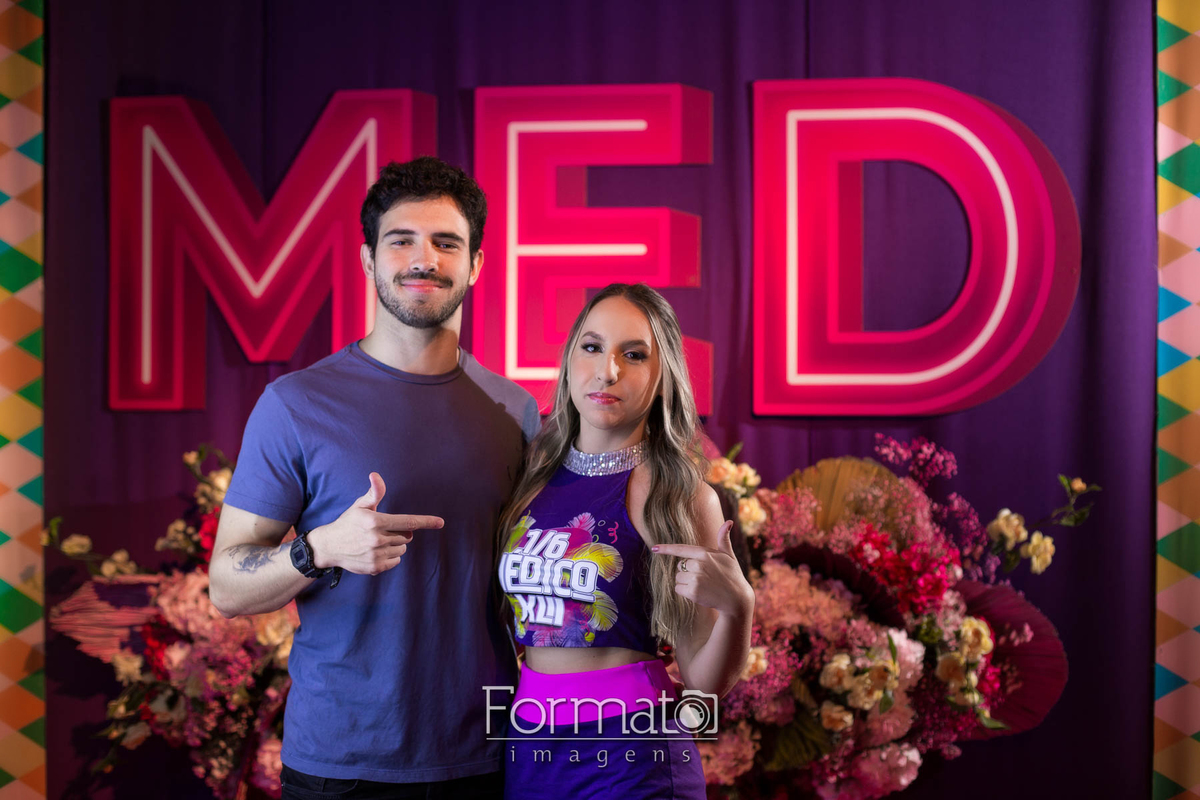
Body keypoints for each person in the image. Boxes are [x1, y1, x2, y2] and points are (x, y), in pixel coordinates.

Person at [209, 156, 540, 799]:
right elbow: (226, 587)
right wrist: (318, 550)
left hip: (484, 754)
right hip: (342, 763)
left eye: (447, 243)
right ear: (368, 260)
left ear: (476, 264)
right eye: (401, 240)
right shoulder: (295, 404)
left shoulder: (515, 410)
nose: (424, 259)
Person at [496, 283, 754, 799]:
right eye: (592, 347)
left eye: (633, 355)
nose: (607, 370)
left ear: (662, 377)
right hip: (531, 749)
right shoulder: (529, 480)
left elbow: (705, 684)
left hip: (633, 756)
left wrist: (738, 606)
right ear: (570, 361)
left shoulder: (678, 496)